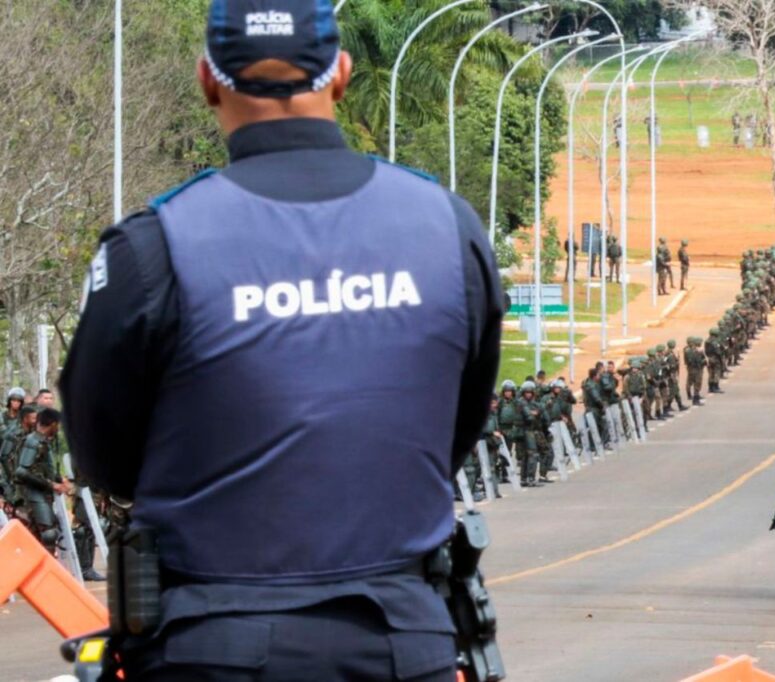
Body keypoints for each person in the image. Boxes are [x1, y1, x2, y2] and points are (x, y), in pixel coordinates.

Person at [58, 2, 503, 678]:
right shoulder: (448, 228)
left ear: (209, 79)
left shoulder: (154, 249)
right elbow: (456, 425)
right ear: (342, 75)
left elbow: (105, 459)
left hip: (213, 646)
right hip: (404, 643)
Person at [14, 408, 69, 552]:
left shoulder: (43, 441)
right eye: (57, 425)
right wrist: (52, 484)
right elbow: (21, 472)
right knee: (48, 534)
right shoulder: (33, 441)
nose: (58, 429)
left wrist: (59, 478)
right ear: (52, 424)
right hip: (34, 495)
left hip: (42, 494)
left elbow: (44, 467)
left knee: (48, 532)